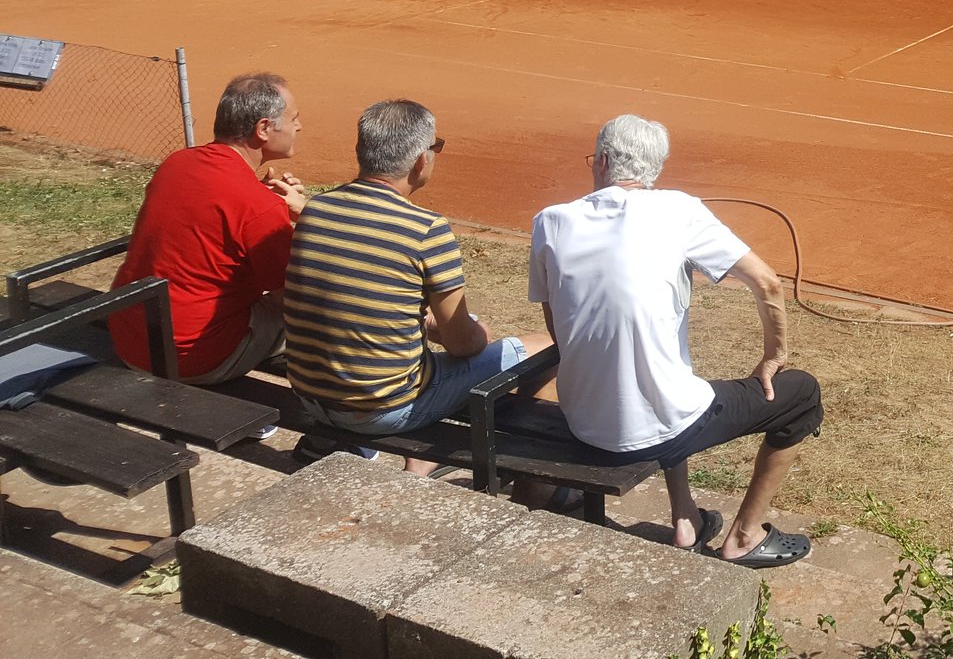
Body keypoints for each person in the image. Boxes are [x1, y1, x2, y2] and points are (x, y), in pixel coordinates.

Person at [529, 114, 823, 568]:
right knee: (802, 394)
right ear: (656, 169)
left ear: (602, 161)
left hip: (584, 421)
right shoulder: (679, 210)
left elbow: (557, 325)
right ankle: (744, 537)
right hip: (651, 431)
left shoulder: (550, 221)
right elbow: (767, 283)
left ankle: (686, 518)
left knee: (668, 379)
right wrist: (774, 355)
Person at [284, 100, 553, 481]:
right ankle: (535, 482)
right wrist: (479, 333)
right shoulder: (426, 229)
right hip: (382, 411)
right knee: (544, 347)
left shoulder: (316, 210)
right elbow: (462, 344)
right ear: (421, 160)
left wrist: (424, 323)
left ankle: (409, 458)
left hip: (311, 398)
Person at [109, 72, 306, 384]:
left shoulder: (177, 163)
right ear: (263, 129)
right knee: (315, 308)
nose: (299, 126)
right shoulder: (257, 206)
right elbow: (299, 286)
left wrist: (262, 198)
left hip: (130, 338)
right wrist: (304, 215)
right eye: (293, 119)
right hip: (193, 358)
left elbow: (215, 209)